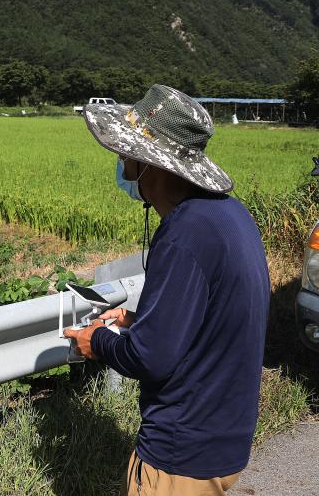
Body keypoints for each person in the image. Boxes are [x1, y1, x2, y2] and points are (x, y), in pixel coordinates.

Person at [64, 85, 269, 495]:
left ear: (150, 165)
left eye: (126, 153)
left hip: (180, 453)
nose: (122, 162)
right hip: (223, 438)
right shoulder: (228, 214)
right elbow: (216, 319)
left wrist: (97, 341)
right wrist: (140, 320)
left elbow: (151, 358)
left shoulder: (184, 235)